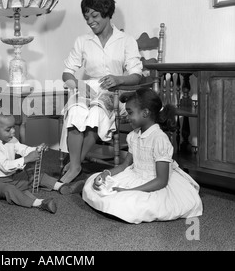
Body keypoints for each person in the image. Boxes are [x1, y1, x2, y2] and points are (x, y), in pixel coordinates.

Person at [59, 0, 143, 183]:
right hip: (86, 89)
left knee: (96, 114)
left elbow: (136, 76)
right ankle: (76, 165)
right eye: (86, 17)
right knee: (76, 112)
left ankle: (74, 164)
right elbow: (66, 72)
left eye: (94, 15)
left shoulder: (126, 41)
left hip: (115, 92)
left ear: (107, 12)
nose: (90, 21)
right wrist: (78, 85)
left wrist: (119, 79)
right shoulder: (83, 41)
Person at [82, 88, 203, 224]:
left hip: (154, 183)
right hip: (135, 175)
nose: (127, 117)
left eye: (130, 113)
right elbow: (124, 165)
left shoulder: (159, 139)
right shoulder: (134, 135)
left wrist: (131, 191)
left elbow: (161, 181)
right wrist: (106, 173)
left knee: (128, 203)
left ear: (145, 113)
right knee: (95, 184)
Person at [0, 107, 85, 214]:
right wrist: (26, 159)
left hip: (11, 177)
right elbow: (5, 166)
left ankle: (62, 186)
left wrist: (37, 149)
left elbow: (23, 149)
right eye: (8, 129)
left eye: (13, 127)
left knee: (33, 174)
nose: (13, 131)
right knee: (9, 190)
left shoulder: (11, 139)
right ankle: (39, 203)